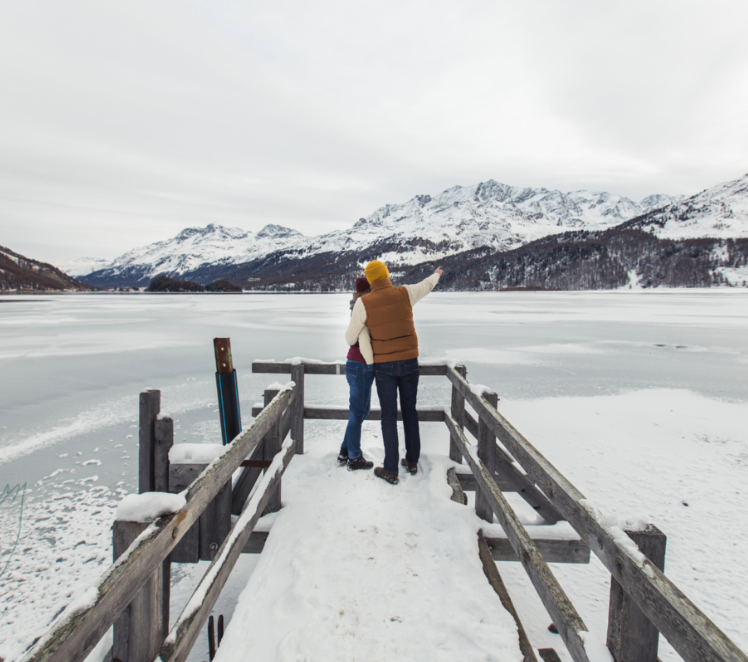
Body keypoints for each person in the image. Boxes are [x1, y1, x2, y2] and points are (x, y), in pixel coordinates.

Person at [345, 260, 444, 485]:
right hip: (410, 362)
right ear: (387, 274)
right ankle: (411, 460)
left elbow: (351, 337)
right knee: (410, 410)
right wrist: (436, 275)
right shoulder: (405, 293)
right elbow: (426, 285)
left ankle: (390, 468)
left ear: (370, 280)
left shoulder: (364, 302)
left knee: (388, 415)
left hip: (385, 366)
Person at [338, 277, 376, 471]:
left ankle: (345, 449)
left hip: (355, 364)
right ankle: (354, 457)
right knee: (358, 412)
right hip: (360, 365)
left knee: (362, 411)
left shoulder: (358, 305)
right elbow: (360, 337)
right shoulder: (362, 306)